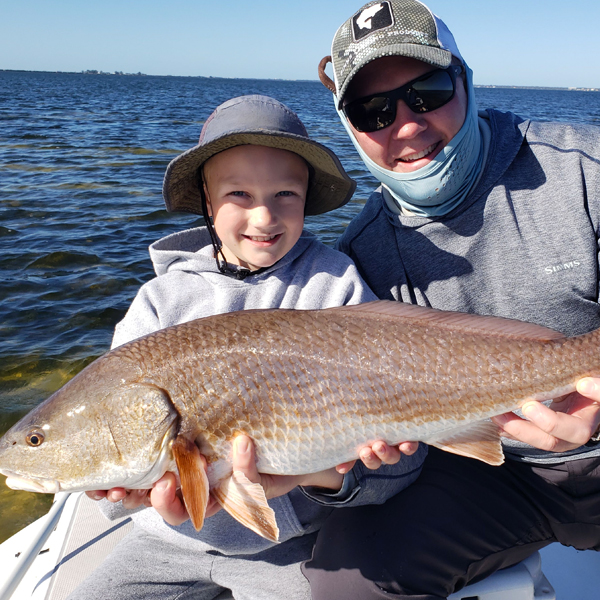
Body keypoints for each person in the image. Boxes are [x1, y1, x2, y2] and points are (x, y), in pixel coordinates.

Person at [299, 1, 600, 599]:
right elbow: (383, 463)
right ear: (349, 126)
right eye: (372, 109)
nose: (405, 124)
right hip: (499, 479)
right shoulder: (359, 256)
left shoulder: (583, 169)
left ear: (465, 79)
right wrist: (336, 475)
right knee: (348, 580)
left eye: (428, 91)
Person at [74, 94, 427, 600]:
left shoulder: (335, 286)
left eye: (286, 193)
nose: (264, 218)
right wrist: (124, 495)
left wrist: (338, 475)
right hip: (164, 543)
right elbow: (110, 437)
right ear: (206, 198)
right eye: (239, 193)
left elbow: (397, 460)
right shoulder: (157, 302)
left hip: (292, 545)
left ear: (308, 197)